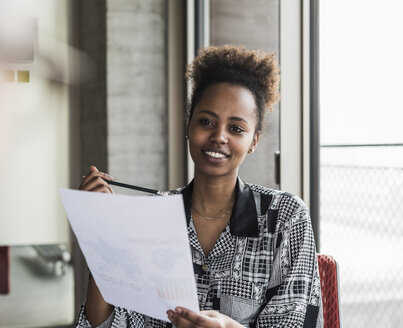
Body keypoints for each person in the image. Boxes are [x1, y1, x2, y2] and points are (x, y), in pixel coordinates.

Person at [77, 45, 322, 328]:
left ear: (254, 140)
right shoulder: (148, 217)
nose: (218, 137)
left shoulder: (285, 217)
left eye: (236, 128)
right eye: (206, 121)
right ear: (188, 126)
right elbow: (107, 324)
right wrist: (102, 240)